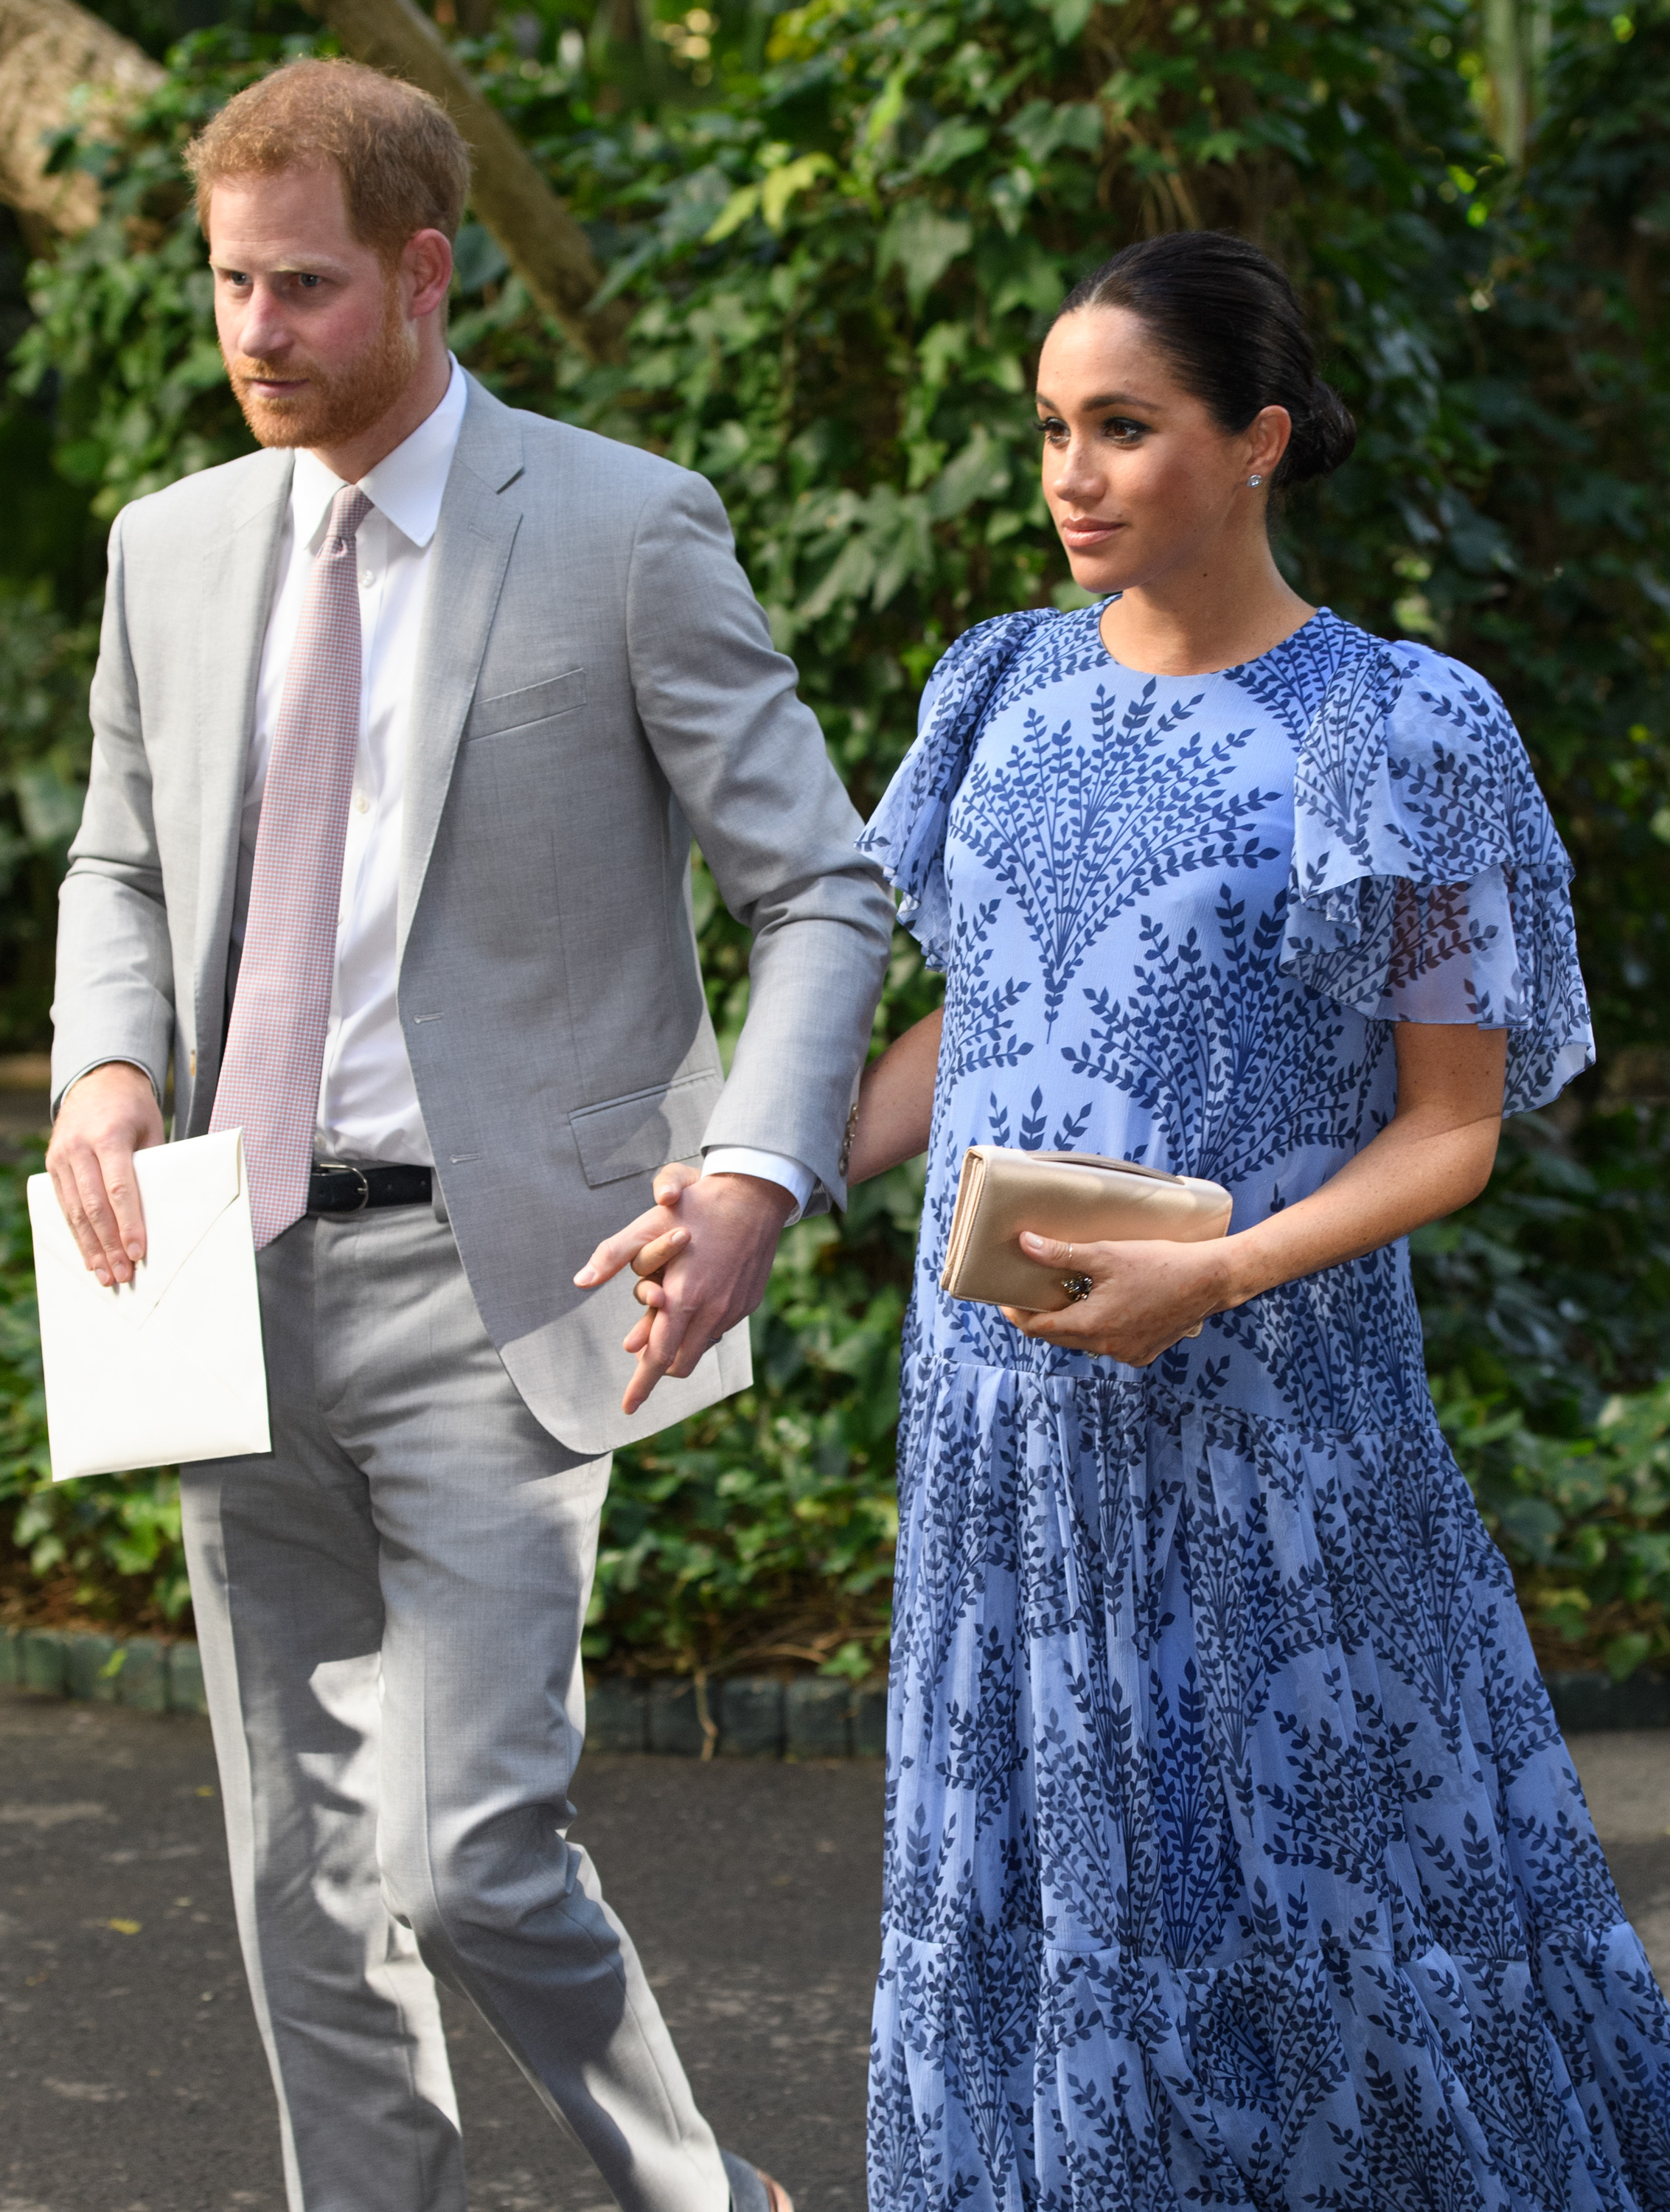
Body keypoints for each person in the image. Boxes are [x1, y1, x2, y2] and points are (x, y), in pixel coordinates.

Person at [44, 57, 893, 2212]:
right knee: (297, 1880)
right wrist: (104, 1069)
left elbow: (819, 887)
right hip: (222, 1266)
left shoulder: (621, 529)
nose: (254, 333)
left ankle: (698, 2199)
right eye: (232, 284)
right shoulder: (170, 548)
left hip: (514, 1273)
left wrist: (755, 1170)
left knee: (469, 1847)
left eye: (304, 286)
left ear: (426, 276)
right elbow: (120, 867)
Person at [839, 232, 1670, 2206]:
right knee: (1030, 1894)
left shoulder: (1405, 728)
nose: (1070, 473)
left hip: (1272, 1433)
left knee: (1336, 1888)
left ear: (1260, 441)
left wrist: (1214, 1270)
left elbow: (1447, 1128)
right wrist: (752, 1176)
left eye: (1123, 428)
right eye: (1051, 430)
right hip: (1005, 1436)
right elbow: (968, 1016)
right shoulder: (996, 686)